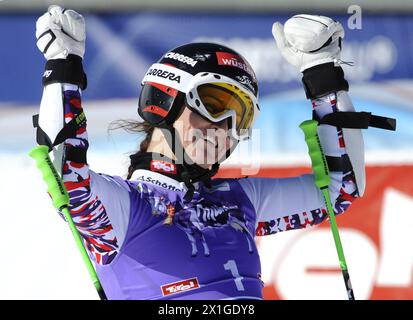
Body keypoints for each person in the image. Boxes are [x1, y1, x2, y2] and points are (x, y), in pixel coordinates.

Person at [34, 7, 365, 300]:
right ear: (164, 99)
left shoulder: (239, 200)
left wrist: (321, 72)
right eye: (214, 106)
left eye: (242, 116)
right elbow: (66, 176)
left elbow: (340, 190)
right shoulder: (125, 208)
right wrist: (63, 67)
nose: (226, 128)